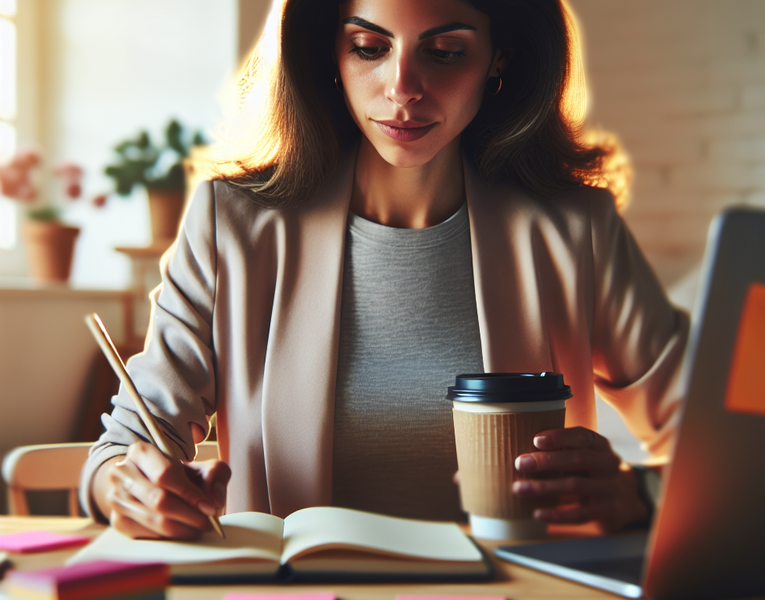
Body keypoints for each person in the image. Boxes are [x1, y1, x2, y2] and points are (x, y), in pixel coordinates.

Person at [80, 0, 688, 540]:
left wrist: (638, 494)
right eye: (369, 47)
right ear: (332, 54)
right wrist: (124, 489)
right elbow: (125, 447)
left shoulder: (574, 229)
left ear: (500, 59)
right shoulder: (231, 226)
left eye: (446, 52)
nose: (402, 87)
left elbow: (719, 436)